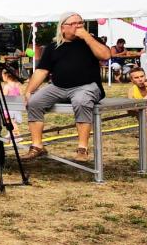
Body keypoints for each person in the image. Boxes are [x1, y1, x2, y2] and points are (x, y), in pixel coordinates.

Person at [23, 12, 111, 161]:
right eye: (74, 23)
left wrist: (87, 37)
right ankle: (37, 146)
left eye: (80, 23)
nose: (78, 26)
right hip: (58, 87)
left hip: (86, 86)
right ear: (63, 27)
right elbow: (42, 71)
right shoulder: (53, 47)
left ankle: (82, 149)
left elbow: (106, 56)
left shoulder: (91, 41)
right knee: (34, 102)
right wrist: (29, 91)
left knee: (81, 101)